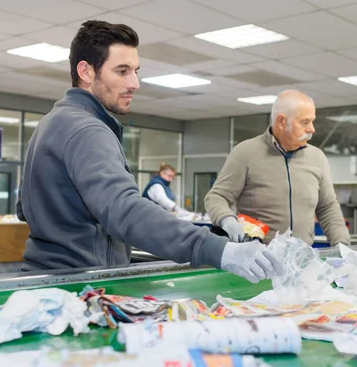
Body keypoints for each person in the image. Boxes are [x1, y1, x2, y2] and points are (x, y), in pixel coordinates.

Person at [16, 20, 283, 284]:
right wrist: (219, 250)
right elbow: (125, 210)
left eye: (135, 71)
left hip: (45, 279)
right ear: (86, 72)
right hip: (79, 285)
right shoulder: (87, 129)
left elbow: (25, 208)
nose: (135, 83)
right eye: (122, 71)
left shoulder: (51, 123)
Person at [205, 90, 351, 246]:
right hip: (256, 261)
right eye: (305, 122)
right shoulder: (245, 153)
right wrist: (227, 220)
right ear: (281, 121)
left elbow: (328, 207)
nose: (312, 129)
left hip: (301, 260)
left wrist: (342, 248)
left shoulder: (317, 158)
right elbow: (216, 197)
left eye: (312, 121)